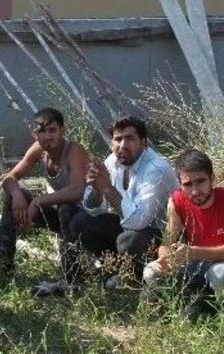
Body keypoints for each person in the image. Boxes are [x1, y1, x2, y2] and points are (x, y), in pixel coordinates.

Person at [69, 116, 179, 287]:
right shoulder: (113, 161)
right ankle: (119, 268)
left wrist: (106, 187)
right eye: (118, 139)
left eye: (130, 139)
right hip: (130, 227)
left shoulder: (156, 169)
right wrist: (97, 189)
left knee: (128, 241)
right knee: (80, 223)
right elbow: (94, 209)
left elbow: (138, 222)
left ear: (143, 143)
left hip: (162, 236)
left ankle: (138, 277)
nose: (123, 145)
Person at [0, 108, 91, 283]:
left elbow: (77, 191)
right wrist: (16, 193)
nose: (47, 136)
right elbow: (9, 177)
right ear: (34, 133)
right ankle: (2, 266)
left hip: (87, 219)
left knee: (66, 207)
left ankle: (71, 277)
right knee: (15, 195)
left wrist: (38, 201)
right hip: (61, 217)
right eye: (41, 131)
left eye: (52, 130)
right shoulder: (39, 149)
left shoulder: (74, 150)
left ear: (63, 131)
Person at [144, 148, 224, 294]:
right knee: (151, 271)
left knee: (219, 273)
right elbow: (167, 243)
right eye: (188, 185)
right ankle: (186, 304)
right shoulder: (176, 201)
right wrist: (166, 258)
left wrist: (193, 252)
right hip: (198, 265)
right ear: (180, 184)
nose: (195, 191)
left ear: (212, 178)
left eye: (200, 181)